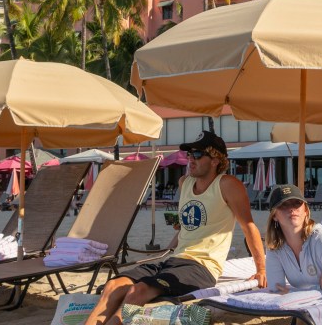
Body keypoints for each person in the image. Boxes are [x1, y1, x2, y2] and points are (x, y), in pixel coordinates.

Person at [85, 131, 266, 324]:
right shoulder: (184, 183)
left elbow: (249, 227)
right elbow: (188, 227)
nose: (190, 159)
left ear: (215, 160)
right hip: (173, 260)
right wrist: (172, 243)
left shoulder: (228, 185)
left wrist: (261, 269)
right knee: (113, 285)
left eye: (197, 155)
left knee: (137, 292)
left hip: (201, 267)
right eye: (189, 155)